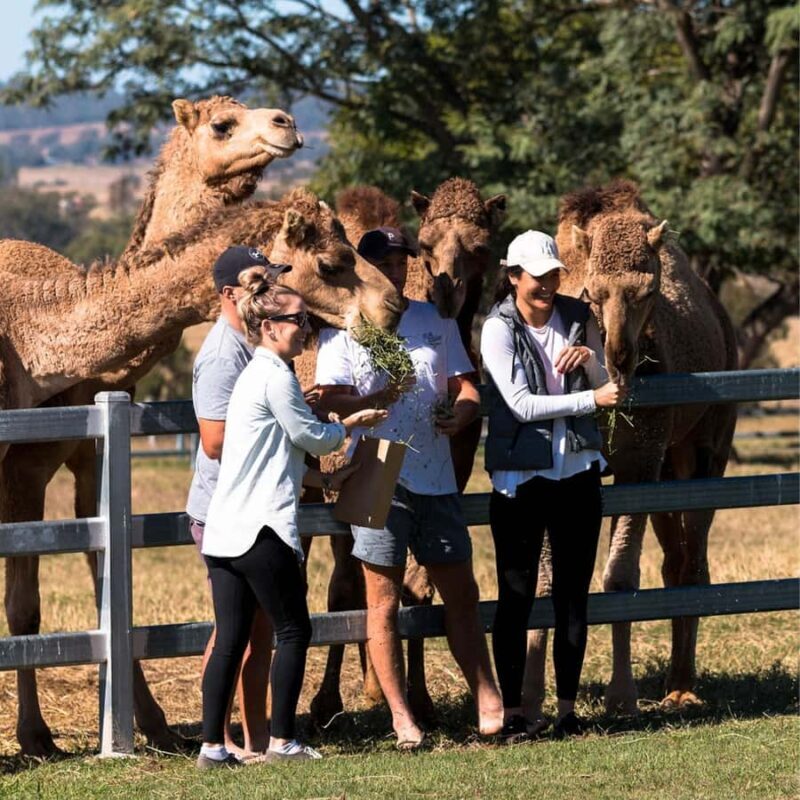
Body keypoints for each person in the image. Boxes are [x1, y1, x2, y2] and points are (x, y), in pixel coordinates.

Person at [314, 226, 504, 749]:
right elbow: (329, 400)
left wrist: (461, 414)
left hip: (435, 474)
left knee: (460, 591)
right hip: (376, 471)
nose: (394, 271)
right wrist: (378, 395)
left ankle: (486, 694)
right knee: (382, 602)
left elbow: (465, 386)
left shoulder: (433, 320)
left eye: (400, 262)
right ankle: (401, 717)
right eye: (384, 263)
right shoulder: (343, 330)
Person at [196, 266, 387, 769]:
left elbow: (266, 455)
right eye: (297, 319)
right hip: (263, 530)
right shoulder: (276, 376)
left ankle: (211, 747)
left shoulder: (251, 377)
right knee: (294, 632)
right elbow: (313, 439)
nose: (307, 327)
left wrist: (320, 483)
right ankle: (283, 741)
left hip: (225, 532)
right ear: (269, 326)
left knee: (230, 641)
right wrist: (351, 421)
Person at [480, 230, 626, 741]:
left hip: (577, 473)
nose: (546, 286)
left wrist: (589, 362)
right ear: (513, 277)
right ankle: (516, 713)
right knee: (516, 595)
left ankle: (566, 710)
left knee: (572, 596)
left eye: (552, 276)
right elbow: (520, 405)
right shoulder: (496, 330)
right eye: (536, 277)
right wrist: (589, 400)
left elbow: (610, 381)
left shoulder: (578, 317)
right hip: (521, 480)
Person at [186, 245, 292, 758]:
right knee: (234, 630)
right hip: (222, 509)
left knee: (258, 629)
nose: (267, 286)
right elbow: (213, 439)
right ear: (229, 293)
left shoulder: (251, 342)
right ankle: (218, 736)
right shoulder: (221, 353)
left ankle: (251, 737)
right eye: (258, 278)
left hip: (248, 504)